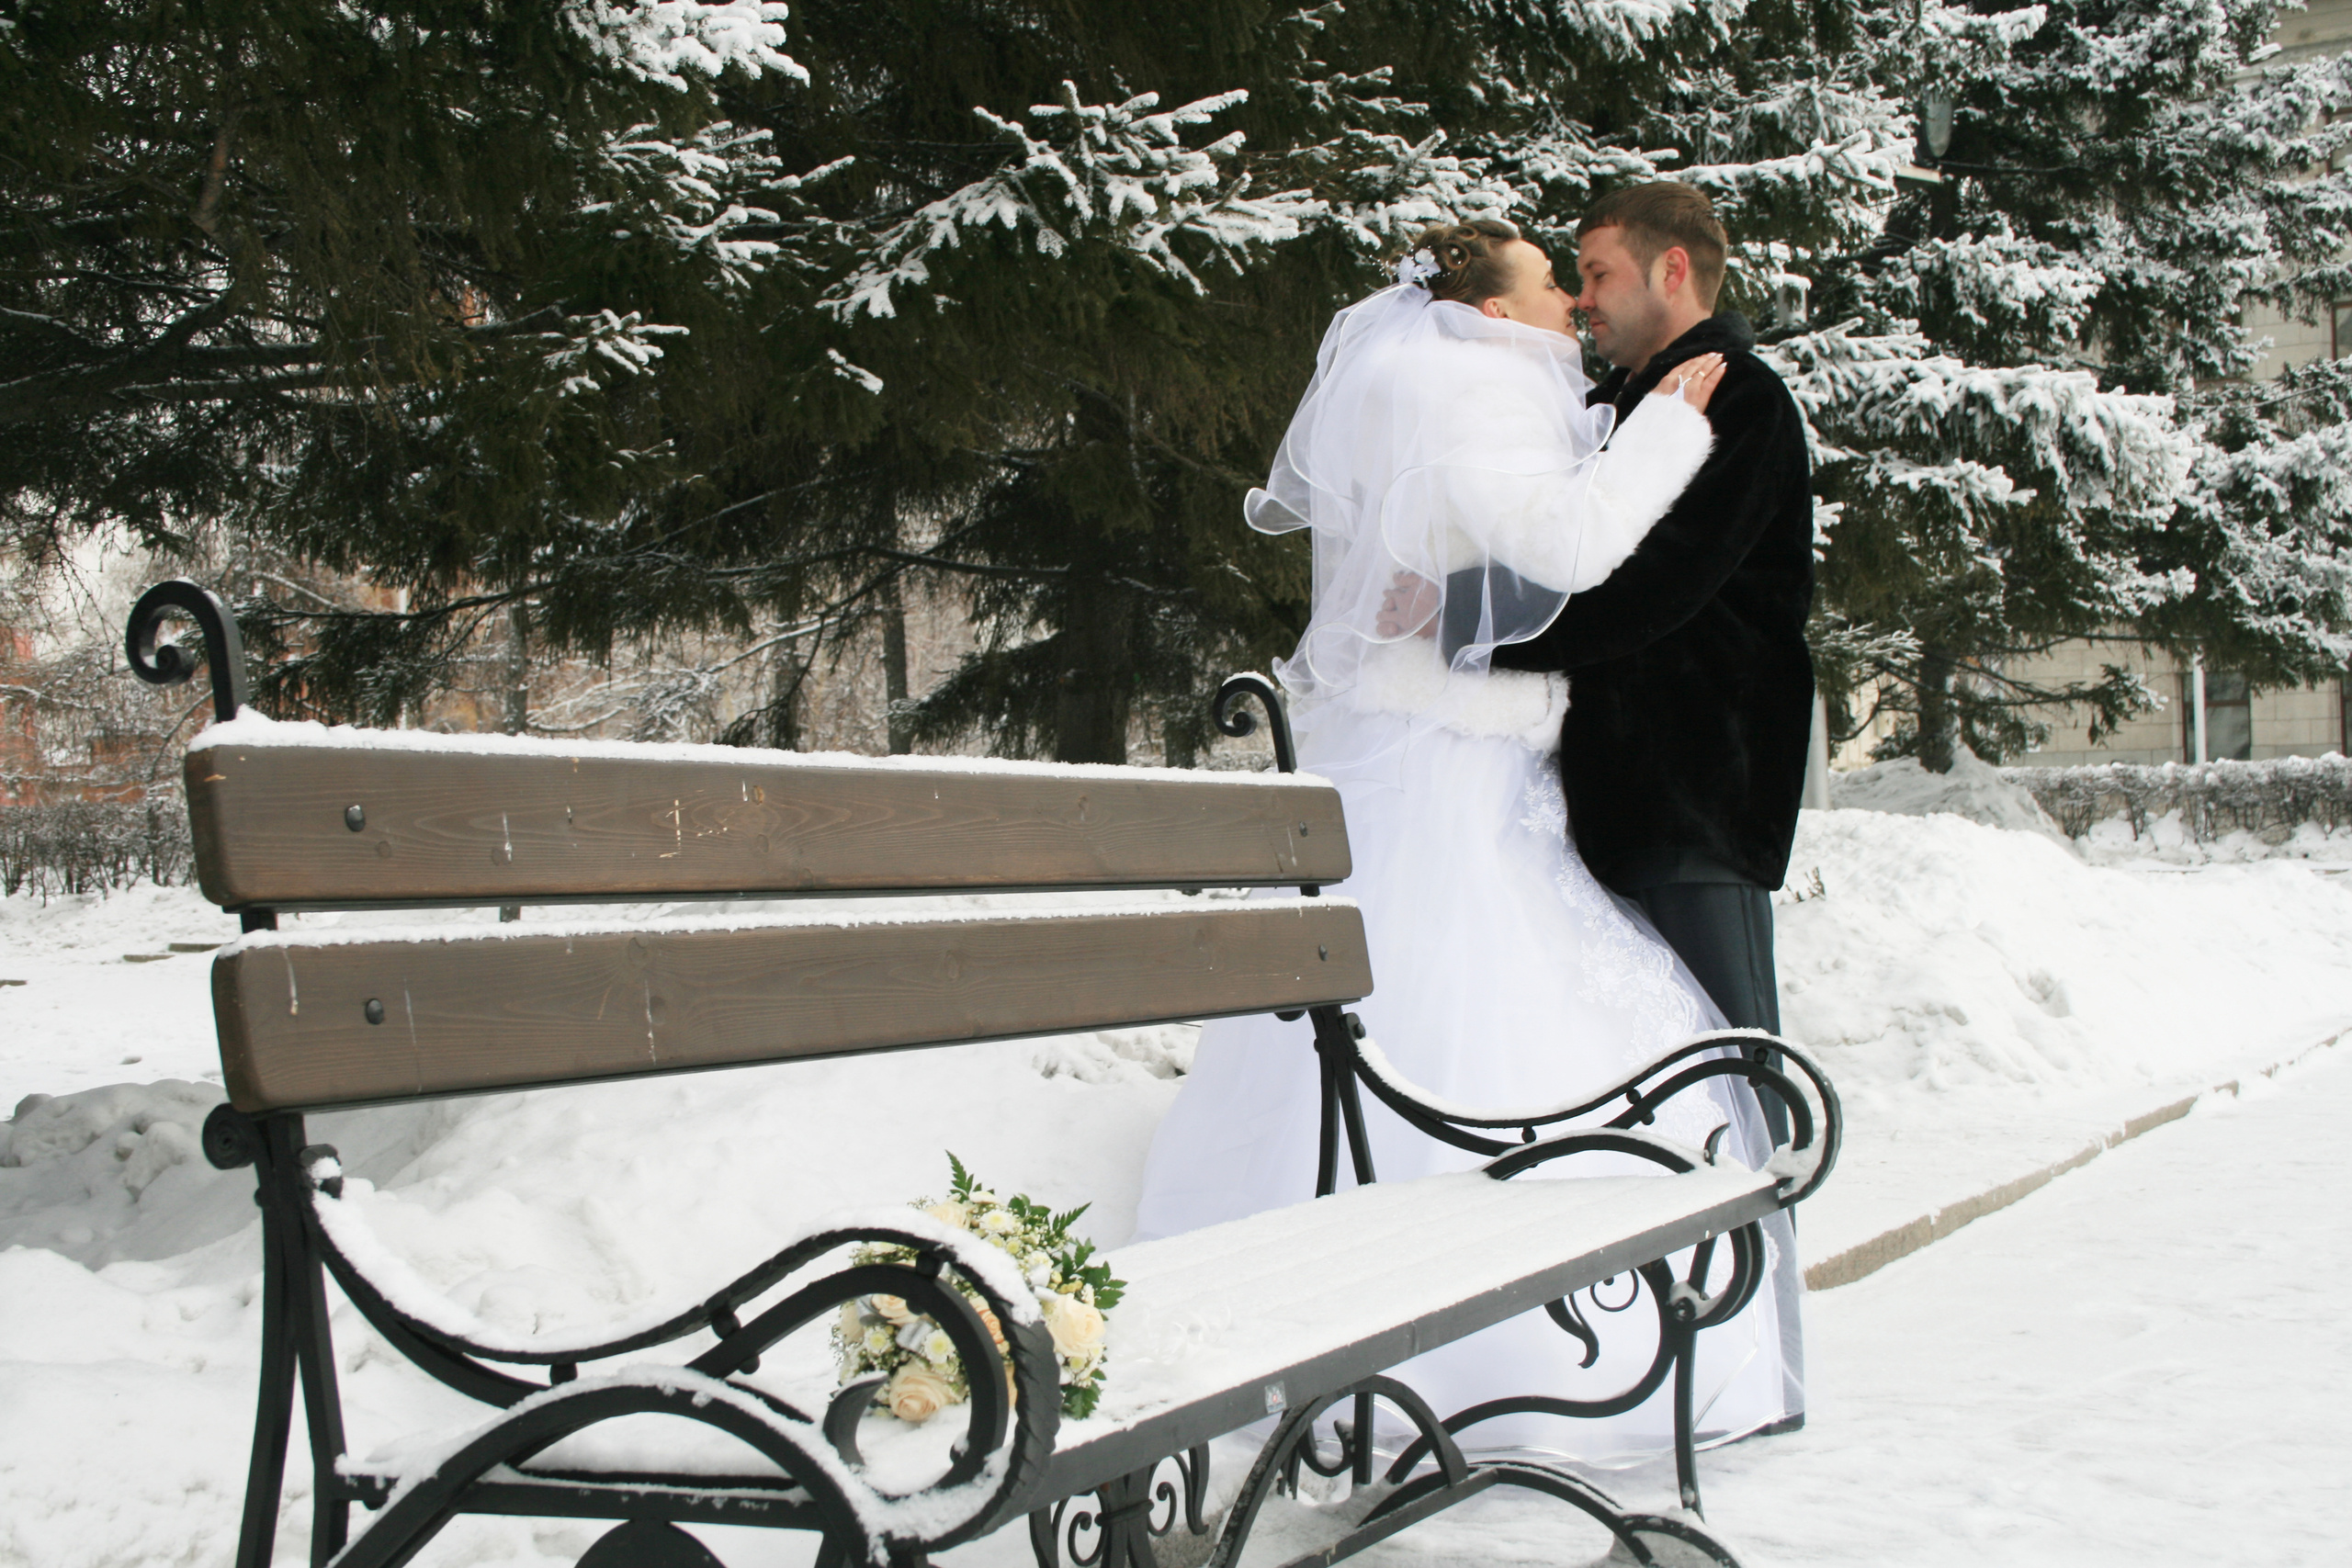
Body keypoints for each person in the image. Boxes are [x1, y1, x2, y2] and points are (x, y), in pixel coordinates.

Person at [1129, 215, 1803, 1464]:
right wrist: (1656, 436)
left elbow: (1603, 578)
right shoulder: (1472, 388)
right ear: (1493, 312)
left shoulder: (1539, 386)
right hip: (1467, 765)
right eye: (1557, 280)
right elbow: (1571, 549)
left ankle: (1618, 1325)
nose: (1574, 300)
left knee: (1491, 1010)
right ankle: (1483, 1355)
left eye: (1589, 275)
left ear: (1671, 270)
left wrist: (1459, 610)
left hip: (1632, 781)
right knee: (1463, 1010)